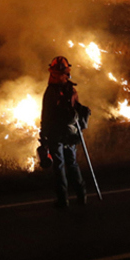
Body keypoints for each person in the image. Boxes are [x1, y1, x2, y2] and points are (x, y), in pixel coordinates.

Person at [40, 56, 88, 209]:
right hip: (71, 133)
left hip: (56, 134)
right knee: (72, 163)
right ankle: (82, 196)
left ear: (52, 72)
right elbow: (77, 109)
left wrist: (43, 134)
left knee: (59, 166)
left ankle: (63, 200)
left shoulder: (51, 91)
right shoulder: (71, 89)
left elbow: (46, 115)